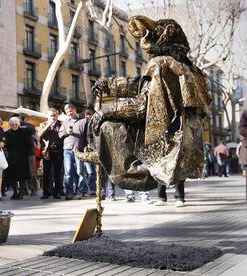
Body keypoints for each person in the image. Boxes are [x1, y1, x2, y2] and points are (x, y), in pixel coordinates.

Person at [80, 16, 210, 192]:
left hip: (164, 147)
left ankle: (120, 161)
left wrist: (106, 111)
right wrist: (111, 85)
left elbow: (145, 106)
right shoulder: (189, 69)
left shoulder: (160, 63)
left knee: (110, 125)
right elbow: (145, 86)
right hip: (186, 147)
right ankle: (103, 150)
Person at [59, 104, 88, 200]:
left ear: (75, 110)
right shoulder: (65, 122)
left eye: (71, 111)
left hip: (79, 149)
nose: (69, 113)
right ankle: (69, 193)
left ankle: (80, 191)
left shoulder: (84, 121)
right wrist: (67, 132)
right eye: (67, 112)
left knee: (80, 172)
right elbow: (60, 135)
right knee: (68, 172)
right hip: (67, 150)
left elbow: (88, 135)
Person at [3, 117, 31, 200]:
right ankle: (15, 192)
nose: (14, 126)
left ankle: (21, 193)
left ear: (18, 125)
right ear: (10, 125)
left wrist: (25, 153)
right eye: (12, 125)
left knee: (22, 177)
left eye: (16, 124)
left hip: (22, 158)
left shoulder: (23, 132)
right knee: (13, 177)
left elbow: (29, 144)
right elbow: (6, 145)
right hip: (12, 158)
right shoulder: (7, 133)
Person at [39, 108, 63, 199]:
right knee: (47, 173)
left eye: (55, 115)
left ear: (57, 115)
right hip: (47, 151)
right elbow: (38, 136)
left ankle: (57, 192)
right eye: (51, 115)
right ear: (48, 116)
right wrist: (46, 127)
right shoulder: (43, 124)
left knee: (58, 172)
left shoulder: (61, 124)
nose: (53, 117)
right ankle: (46, 192)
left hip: (58, 150)